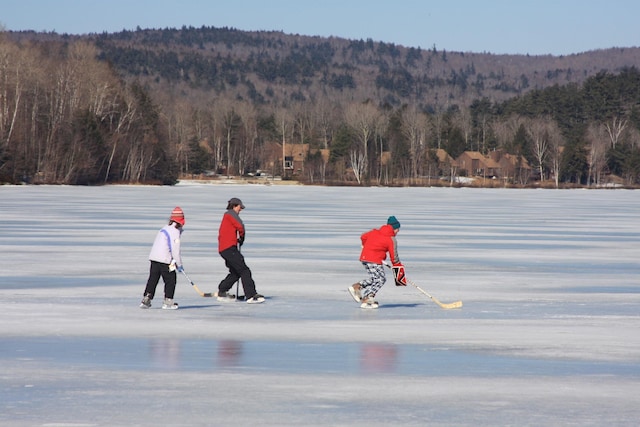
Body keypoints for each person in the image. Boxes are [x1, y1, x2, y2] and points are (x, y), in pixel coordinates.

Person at [348, 215, 407, 309]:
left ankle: (359, 287)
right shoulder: (391, 239)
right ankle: (367, 296)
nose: (398, 231)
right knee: (381, 279)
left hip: (364, 257)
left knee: (376, 278)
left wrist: (364, 245)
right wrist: (399, 274)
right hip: (374, 260)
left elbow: (363, 236)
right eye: (397, 229)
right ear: (394, 228)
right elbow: (394, 257)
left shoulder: (374, 232)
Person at [215, 197, 264, 304]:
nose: (240, 210)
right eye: (239, 207)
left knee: (235, 272)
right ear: (234, 206)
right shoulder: (230, 214)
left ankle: (222, 291)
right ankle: (251, 295)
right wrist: (241, 238)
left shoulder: (227, 215)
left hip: (224, 249)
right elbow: (240, 226)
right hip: (229, 248)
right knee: (244, 270)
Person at [140, 207, 185, 310]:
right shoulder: (175, 232)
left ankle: (147, 298)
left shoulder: (164, 228)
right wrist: (179, 264)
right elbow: (175, 250)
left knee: (153, 279)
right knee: (171, 280)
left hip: (154, 258)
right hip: (166, 260)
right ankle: (168, 301)